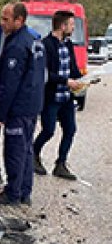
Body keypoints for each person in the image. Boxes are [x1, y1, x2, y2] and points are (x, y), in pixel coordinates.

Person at [0, 2, 46, 206]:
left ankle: (12, 193)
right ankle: (24, 191)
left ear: (19, 20)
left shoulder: (16, 46)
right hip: (32, 105)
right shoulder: (34, 41)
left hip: (19, 108)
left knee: (14, 150)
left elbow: (9, 85)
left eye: (6, 19)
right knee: (27, 149)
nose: (2, 23)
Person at [33, 10, 82, 180]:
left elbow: (73, 68)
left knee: (70, 130)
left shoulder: (68, 44)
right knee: (48, 131)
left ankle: (61, 164)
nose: (73, 28)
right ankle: (33, 153)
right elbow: (45, 74)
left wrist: (82, 80)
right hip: (51, 97)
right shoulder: (45, 45)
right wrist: (66, 81)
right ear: (62, 26)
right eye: (71, 25)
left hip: (67, 98)